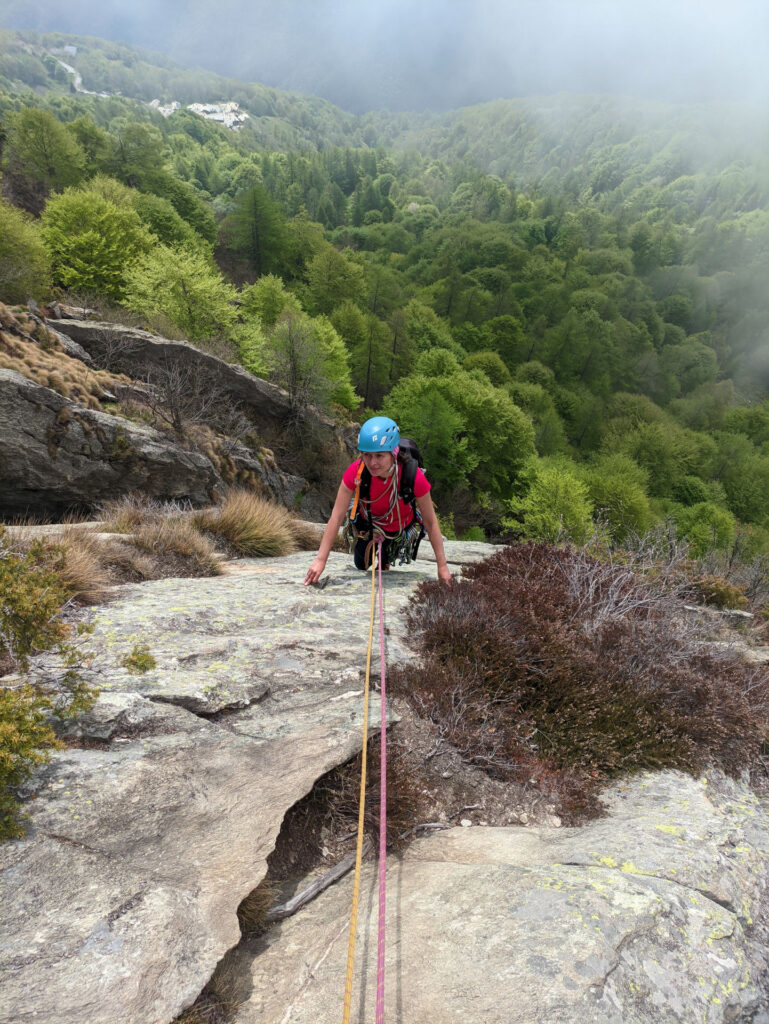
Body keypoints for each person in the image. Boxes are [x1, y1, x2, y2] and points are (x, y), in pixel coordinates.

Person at [304, 416, 451, 586]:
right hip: (368, 524)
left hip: (399, 529)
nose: (372, 463)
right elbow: (336, 517)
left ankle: (385, 556)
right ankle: (373, 546)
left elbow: (431, 522)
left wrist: (442, 566)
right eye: (367, 455)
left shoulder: (413, 476)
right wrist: (320, 560)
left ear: (393, 453)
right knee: (361, 564)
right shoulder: (357, 472)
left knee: (384, 562)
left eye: (379, 456)